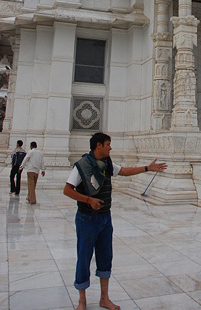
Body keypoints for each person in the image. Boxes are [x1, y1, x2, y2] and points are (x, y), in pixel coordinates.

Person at [63, 132, 167, 310]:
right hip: (87, 219)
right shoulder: (82, 166)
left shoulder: (107, 164)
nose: (111, 147)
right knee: (84, 258)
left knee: (105, 257)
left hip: (104, 219)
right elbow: (67, 190)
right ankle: (82, 300)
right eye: (108, 144)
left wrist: (147, 168)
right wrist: (89, 200)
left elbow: (124, 171)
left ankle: (104, 298)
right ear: (99, 146)